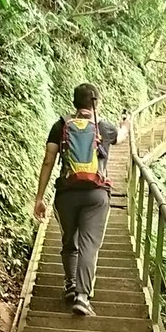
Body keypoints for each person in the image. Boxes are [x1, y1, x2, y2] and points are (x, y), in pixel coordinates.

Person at [33, 83, 130, 316]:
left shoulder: (61, 126)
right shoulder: (103, 127)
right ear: (96, 102)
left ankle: (70, 284)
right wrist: (127, 123)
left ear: (74, 102)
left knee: (70, 239)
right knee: (89, 245)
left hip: (66, 194)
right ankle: (82, 297)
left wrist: (39, 198)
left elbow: (48, 160)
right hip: (96, 195)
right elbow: (123, 137)